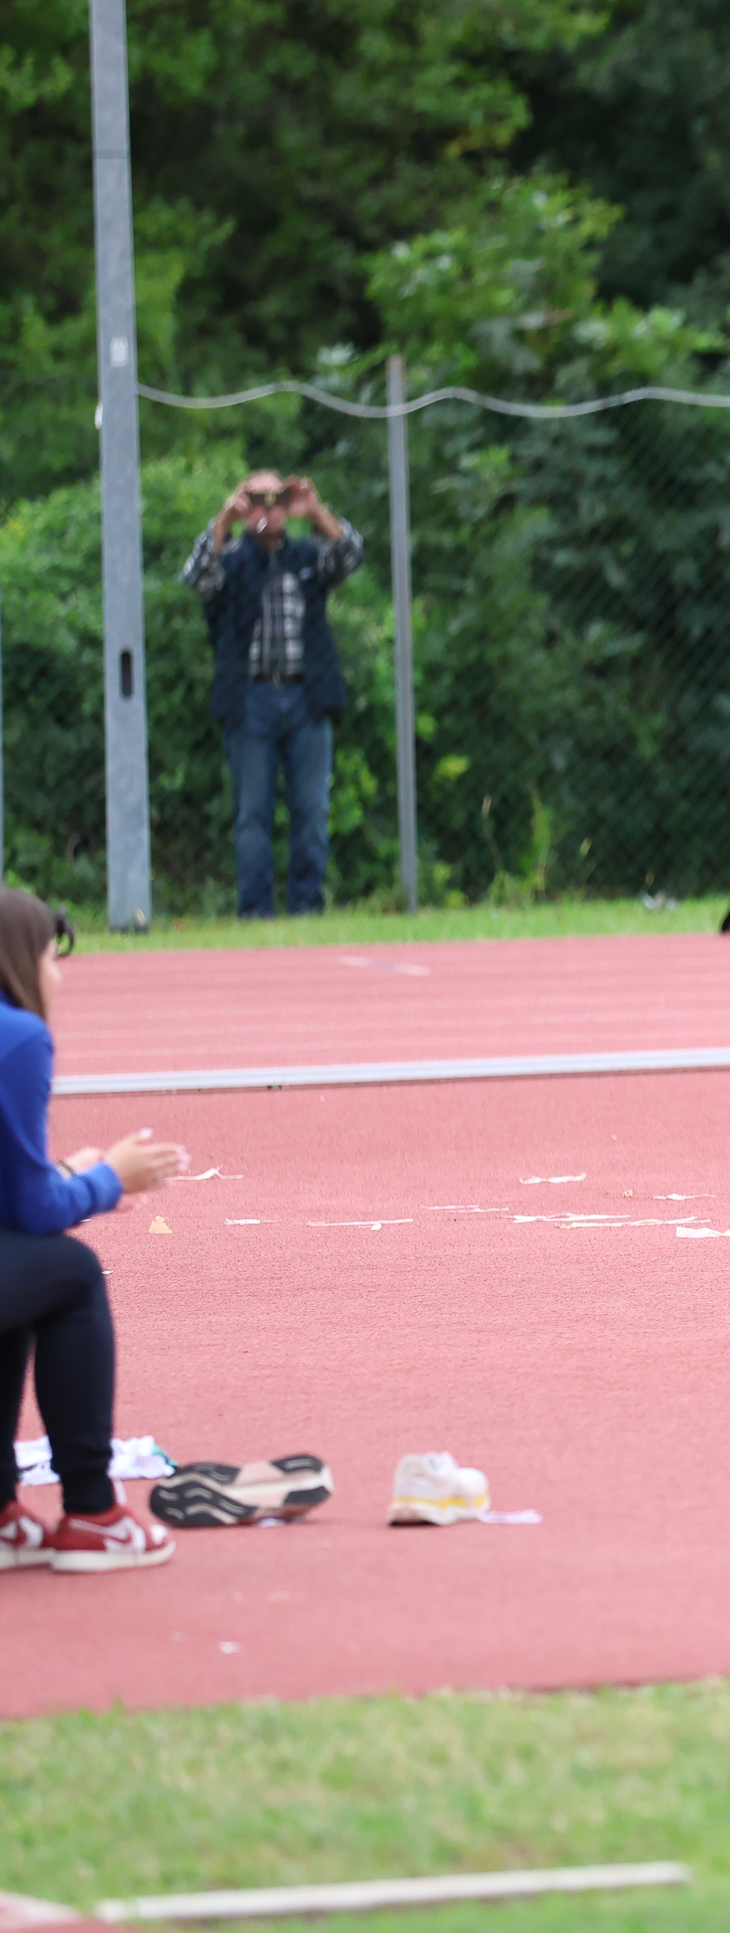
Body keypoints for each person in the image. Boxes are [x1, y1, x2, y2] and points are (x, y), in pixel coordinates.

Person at [0, 890, 187, 1572]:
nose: (57, 975)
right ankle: (92, 1513)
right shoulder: (19, 1036)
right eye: (52, 958)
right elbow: (30, 1213)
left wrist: (62, 1175)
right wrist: (110, 1178)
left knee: (27, 1269)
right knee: (69, 1272)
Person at [182, 470, 364, 917]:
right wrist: (224, 522)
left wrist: (315, 511)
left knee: (312, 810)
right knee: (252, 814)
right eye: (257, 499)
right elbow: (197, 579)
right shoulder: (232, 560)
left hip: (307, 697)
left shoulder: (306, 555)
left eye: (277, 498)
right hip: (251, 699)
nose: (269, 508)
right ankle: (255, 911)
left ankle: (307, 906)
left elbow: (351, 555)